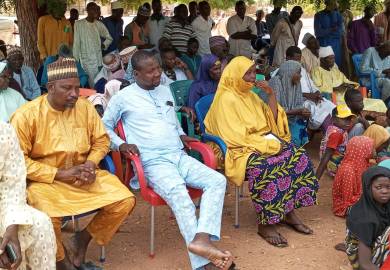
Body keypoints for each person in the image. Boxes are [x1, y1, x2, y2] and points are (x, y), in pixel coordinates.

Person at [102, 50, 234, 270]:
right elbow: (103, 126)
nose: (157, 74)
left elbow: (171, 120)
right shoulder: (122, 98)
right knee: (180, 194)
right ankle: (202, 264)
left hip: (178, 155)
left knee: (217, 180)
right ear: (136, 73)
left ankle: (201, 239)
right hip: (153, 162)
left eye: (158, 68)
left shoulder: (164, 90)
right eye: (151, 71)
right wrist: (121, 144)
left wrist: (181, 135)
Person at [10, 58, 135, 270]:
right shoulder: (26, 115)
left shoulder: (85, 108)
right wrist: (60, 174)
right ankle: (62, 262)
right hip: (46, 182)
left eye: (77, 87)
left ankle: (80, 241)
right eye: (67, 88)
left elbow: (101, 140)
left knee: (124, 200)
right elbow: (17, 161)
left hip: (83, 176)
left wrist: (90, 163)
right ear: (50, 87)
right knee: (47, 217)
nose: (75, 94)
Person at [204, 56, 319, 247]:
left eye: (252, 72)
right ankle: (265, 223)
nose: (252, 77)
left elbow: (271, 122)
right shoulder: (226, 99)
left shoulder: (250, 95)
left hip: (260, 141)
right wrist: (270, 146)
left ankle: (288, 211)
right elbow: (234, 137)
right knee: (264, 166)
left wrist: (271, 94)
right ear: (234, 75)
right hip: (239, 148)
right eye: (247, 73)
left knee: (297, 155)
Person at [0, 122, 57, 270]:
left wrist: (11, 226)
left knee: (41, 224)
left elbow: (12, 186)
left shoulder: (4, 131)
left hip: (4, 206)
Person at [271, 46, 335, 132]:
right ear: (288, 58)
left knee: (330, 107)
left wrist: (316, 93)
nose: (298, 62)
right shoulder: (281, 72)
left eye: (299, 59)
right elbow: (285, 95)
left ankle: (334, 134)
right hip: (300, 102)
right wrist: (307, 96)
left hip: (311, 99)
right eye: (295, 59)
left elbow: (312, 85)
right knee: (320, 114)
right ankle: (330, 136)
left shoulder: (302, 70)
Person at [345, 165, 390, 270]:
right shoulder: (365, 218)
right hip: (362, 258)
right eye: (378, 187)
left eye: (388, 187)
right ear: (368, 188)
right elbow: (364, 264)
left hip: (371, 242)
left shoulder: (384, 204)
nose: (384, 191)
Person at [269, 60, 310, 147]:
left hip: (290, 119)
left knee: (301, 124)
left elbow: (299, 105)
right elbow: (274, 110)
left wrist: (304, 113)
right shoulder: (275, 82)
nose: (300, 76)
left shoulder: (296, 84)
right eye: (298, 73)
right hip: (274, 121)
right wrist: (297, 111)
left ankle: (295, 151)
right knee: (290, 143)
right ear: (290, 72)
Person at [332, 136, 374, 217]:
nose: (374, 150)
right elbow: (347, 199)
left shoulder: (362, 163)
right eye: (371, 148)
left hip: (358, 198)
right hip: (346, 205)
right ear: (363, 150)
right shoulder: (348, 170)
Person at [73, 2, 113, 88]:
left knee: (100, 82)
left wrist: (104, 45)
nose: (95, 11)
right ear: (87, 10)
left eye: (96, 9)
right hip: (86, 61)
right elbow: (76, 44)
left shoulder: (98, 24)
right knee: (92, 85)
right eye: (92, 9)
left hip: (98, 60)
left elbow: (109, 38)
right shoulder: (78, 24)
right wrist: (75, 62)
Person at [316, 105, 358, 179]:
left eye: (349, 119)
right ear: (333, 119)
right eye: (344, 119)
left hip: (333, 161)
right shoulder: (337, 134)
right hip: (334, 166)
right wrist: (316, 179)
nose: (348, 122)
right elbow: (327, 155)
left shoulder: (335, 127)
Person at [314, 0, 343, 67]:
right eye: (332, 1)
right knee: (323, 68)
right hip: (323, 45)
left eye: (335, 1)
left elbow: (339, 32)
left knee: (336, 68)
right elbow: (318, 33)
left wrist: (326, 31)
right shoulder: (318, 15)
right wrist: (332, 29)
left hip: (336, 47)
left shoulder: (338, 16)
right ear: (326, 3)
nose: (334, 3)